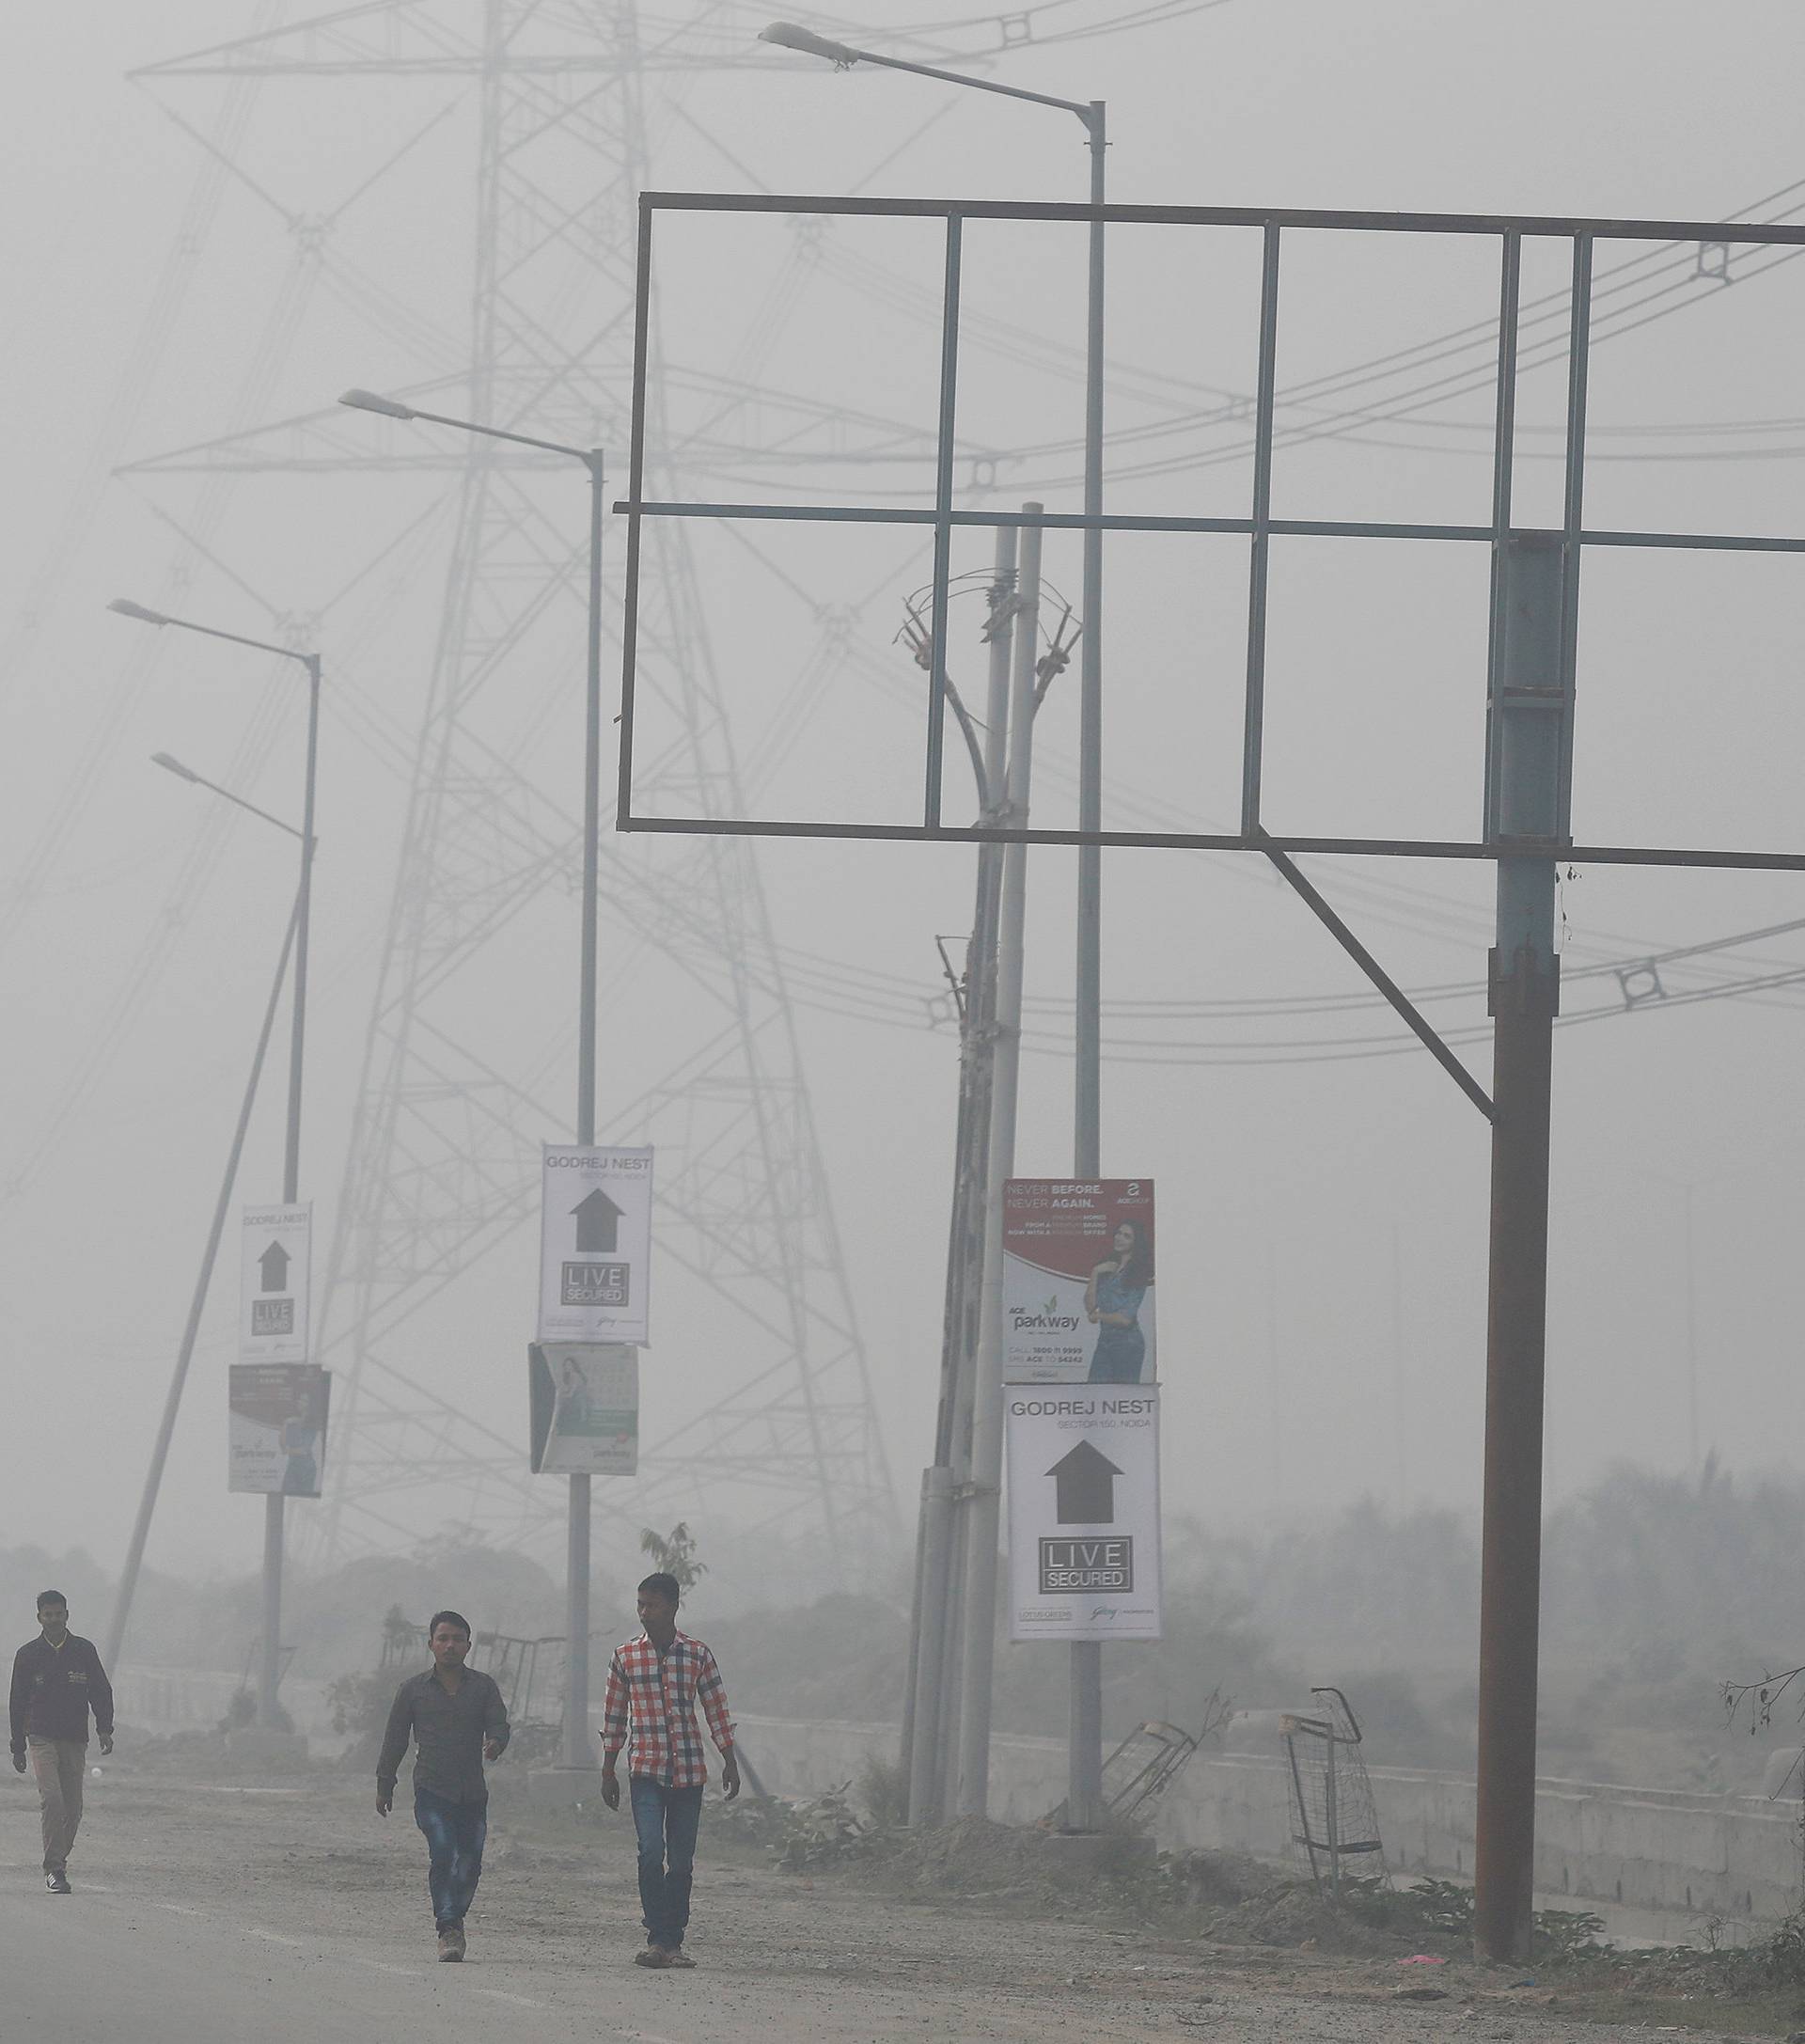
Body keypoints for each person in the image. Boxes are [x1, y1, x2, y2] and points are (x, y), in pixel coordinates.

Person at [600, 1572, 740, 1970]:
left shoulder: (697, 1655)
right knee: (650, 1852)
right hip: (644, 1769)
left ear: (673, 1607)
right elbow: (614, 1716)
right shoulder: (625, 1656)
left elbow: (716, 1708)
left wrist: (729, 1758)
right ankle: (656, 1938)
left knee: (680, 1861)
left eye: (653, 1605)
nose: (644, 1613)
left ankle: (672, 1940)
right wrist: (608, 1767)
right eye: (640, 1604)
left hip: (689, 1773)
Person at [376, 1610, 510, 1962]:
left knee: (470, 1863)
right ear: (432, 1644)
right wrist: (384, 1784)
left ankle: (457, 1916)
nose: (450, 1645)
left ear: (468, 1645)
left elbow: (499, 1725)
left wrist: (496, 1743)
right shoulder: (413, 1691)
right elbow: (395, 1740)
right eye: (443, 1639)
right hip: (432, 1790)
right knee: (443, 1852)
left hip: (472, 1793)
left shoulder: (483, 1687)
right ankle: (448, 1927)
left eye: (457, 1639)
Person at [8, 1591, 115, 1895]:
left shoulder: (83, 1650)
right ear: (39, 1617)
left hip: (74, 1738)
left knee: (73, 1808)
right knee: (52, 1800)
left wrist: (105, 1728)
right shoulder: (28, 1654)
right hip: (40, 1737)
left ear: (67, 1615)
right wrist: (17, 1745)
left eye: (58, 1614)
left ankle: (58, 1859)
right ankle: (54, 1869)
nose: (54, 1619)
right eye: (48, 1614)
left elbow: (100, 1691)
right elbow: (16, 1701)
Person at [1086, 1219, 1152, 1384]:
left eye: (1127, 1236)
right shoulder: (1107, 1266)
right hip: (1104, 1341)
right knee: (1093, 1395)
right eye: (1118, 1233)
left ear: (1135, 1243)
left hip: (1127, 1344)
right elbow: (1090, 1307)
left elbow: (1125, 1319)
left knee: (1123, 1397)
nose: (1119, 1237)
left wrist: (1099, 1316)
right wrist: (1095, 1273)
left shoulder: (1138, 1272)